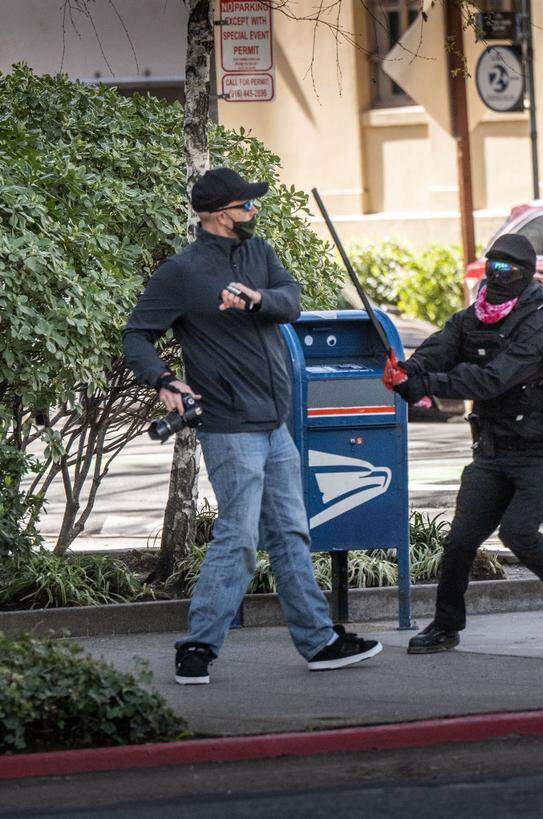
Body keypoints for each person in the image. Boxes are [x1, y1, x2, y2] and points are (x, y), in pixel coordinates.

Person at [123, 167, 381, 683]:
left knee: (290, 534)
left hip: (274, 425)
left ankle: (319, 642)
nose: (254, 210)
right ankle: (197, 646)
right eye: (247, 205)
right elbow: (136, 336)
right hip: (229, 426)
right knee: (239, 538)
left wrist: (256, 299)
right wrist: (165, 381)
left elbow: (291, 300)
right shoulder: (182, 272)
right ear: (220, 215)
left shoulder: (259, 254)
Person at [392, 234, 543, 654]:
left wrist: (429, 383)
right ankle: (445, 626)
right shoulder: (472, 318)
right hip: (492, 451)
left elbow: (490, 381)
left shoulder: (537, 328)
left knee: (518, 533)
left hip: (540, 452)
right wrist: (409, 371)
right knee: (460, 541)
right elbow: (439, 348)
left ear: (526, 275)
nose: (498, 277)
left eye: (508, 270)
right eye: (492, 267)